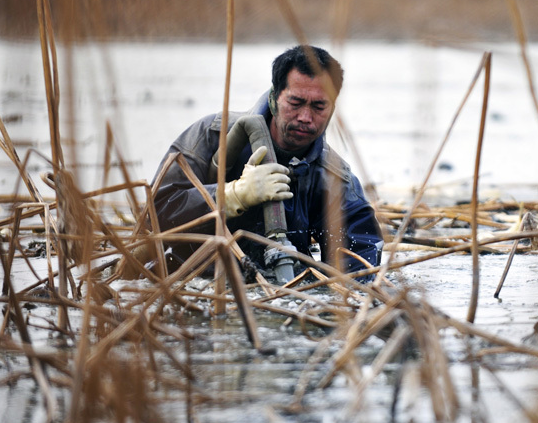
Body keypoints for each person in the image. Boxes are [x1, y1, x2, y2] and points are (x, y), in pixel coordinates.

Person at [151, 45, 383, 277]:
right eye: (295, 103)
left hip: (281, 289)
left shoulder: (334, 178)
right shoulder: (211, 135)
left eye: (318, 106)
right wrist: (233, 195)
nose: (305, 117)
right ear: (273, 98)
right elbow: (153, 216)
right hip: (194, 281)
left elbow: (360, 260)